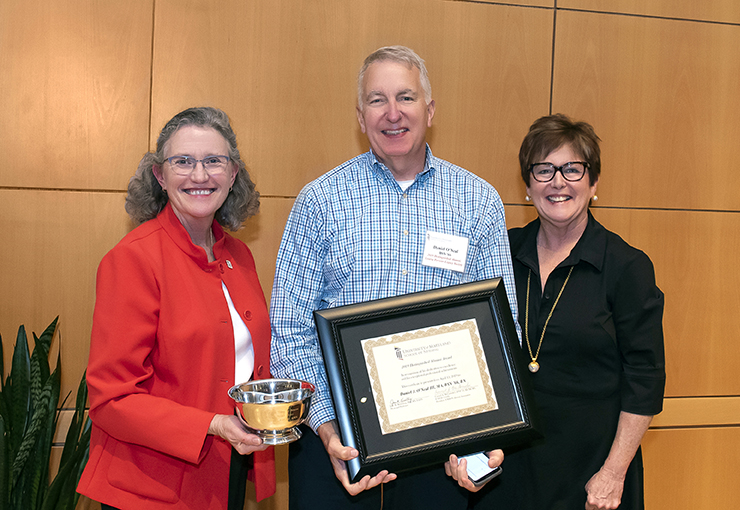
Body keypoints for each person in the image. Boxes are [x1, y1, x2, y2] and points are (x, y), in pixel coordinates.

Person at [269, 46, 521, 509]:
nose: (392, 113)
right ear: (361, 117)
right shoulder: (318, 201)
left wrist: (490, 434)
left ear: (429, 109)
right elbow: (289, 335)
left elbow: (503, 330)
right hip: (335, 451)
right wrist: (329, 430)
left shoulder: (478, 201)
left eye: (405, 97)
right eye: (376, 100)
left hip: (442, 455)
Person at [77, 107, 275, 510]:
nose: (199, 176)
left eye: (214, 162)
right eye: (182, 161)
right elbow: (111, 399)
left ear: (233, 174)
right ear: (160, 176)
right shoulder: (133, 259)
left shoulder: (239, 256)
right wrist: (213, 424)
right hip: (150, 487)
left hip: (227, 472)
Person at [473, 114, 665, 510]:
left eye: (572, 169)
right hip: (505, 471)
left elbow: (645, 380)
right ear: (527, 186)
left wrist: (613, 473)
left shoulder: (626, 266)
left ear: (593, 183)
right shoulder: (500, 253)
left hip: (592, 472)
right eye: (543, 170)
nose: (558, 182)